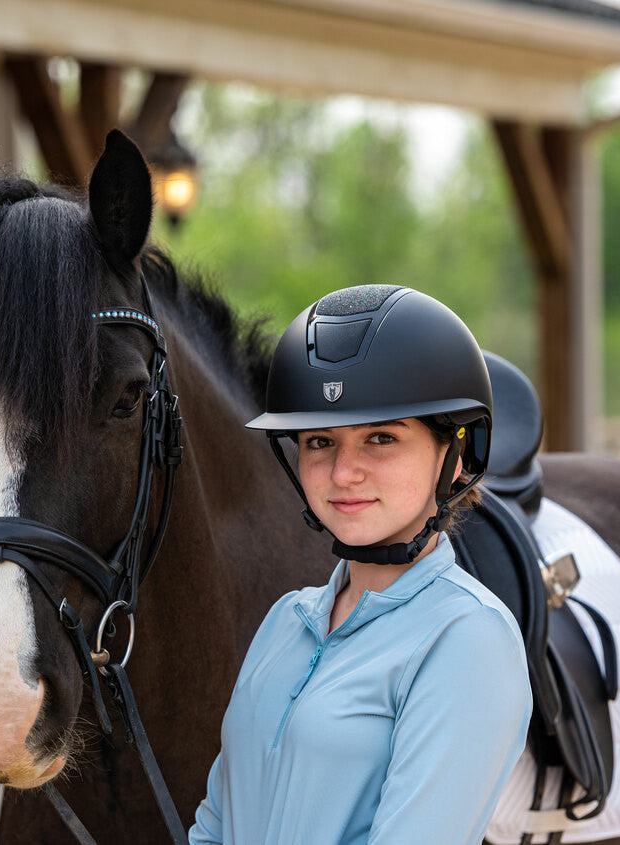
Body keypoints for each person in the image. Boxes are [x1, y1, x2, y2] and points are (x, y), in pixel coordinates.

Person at [189, 284, 532, 845]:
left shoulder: (469, 637)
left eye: (380, 438)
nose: (344, 473)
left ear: (455, 455)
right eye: (320, 441)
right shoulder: (285, 619)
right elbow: (215, 824)